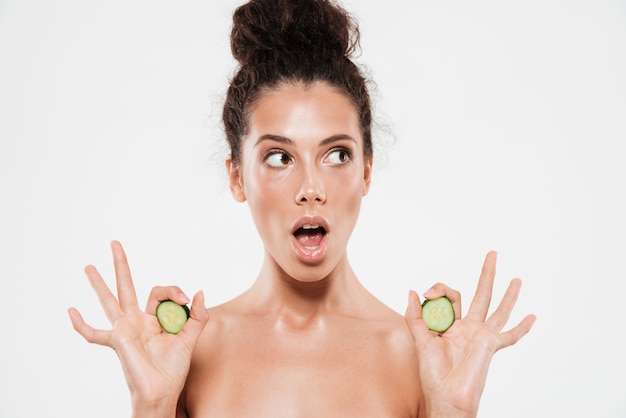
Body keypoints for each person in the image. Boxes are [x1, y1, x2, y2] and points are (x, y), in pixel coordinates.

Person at [68, 0, 536, 416]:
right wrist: (152, 405)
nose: (311, 188)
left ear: (367, 172)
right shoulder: (187, 354)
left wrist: (452, 411)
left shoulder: (420, 358)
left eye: (337, 155)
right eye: (279, 157)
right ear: (237, 177)